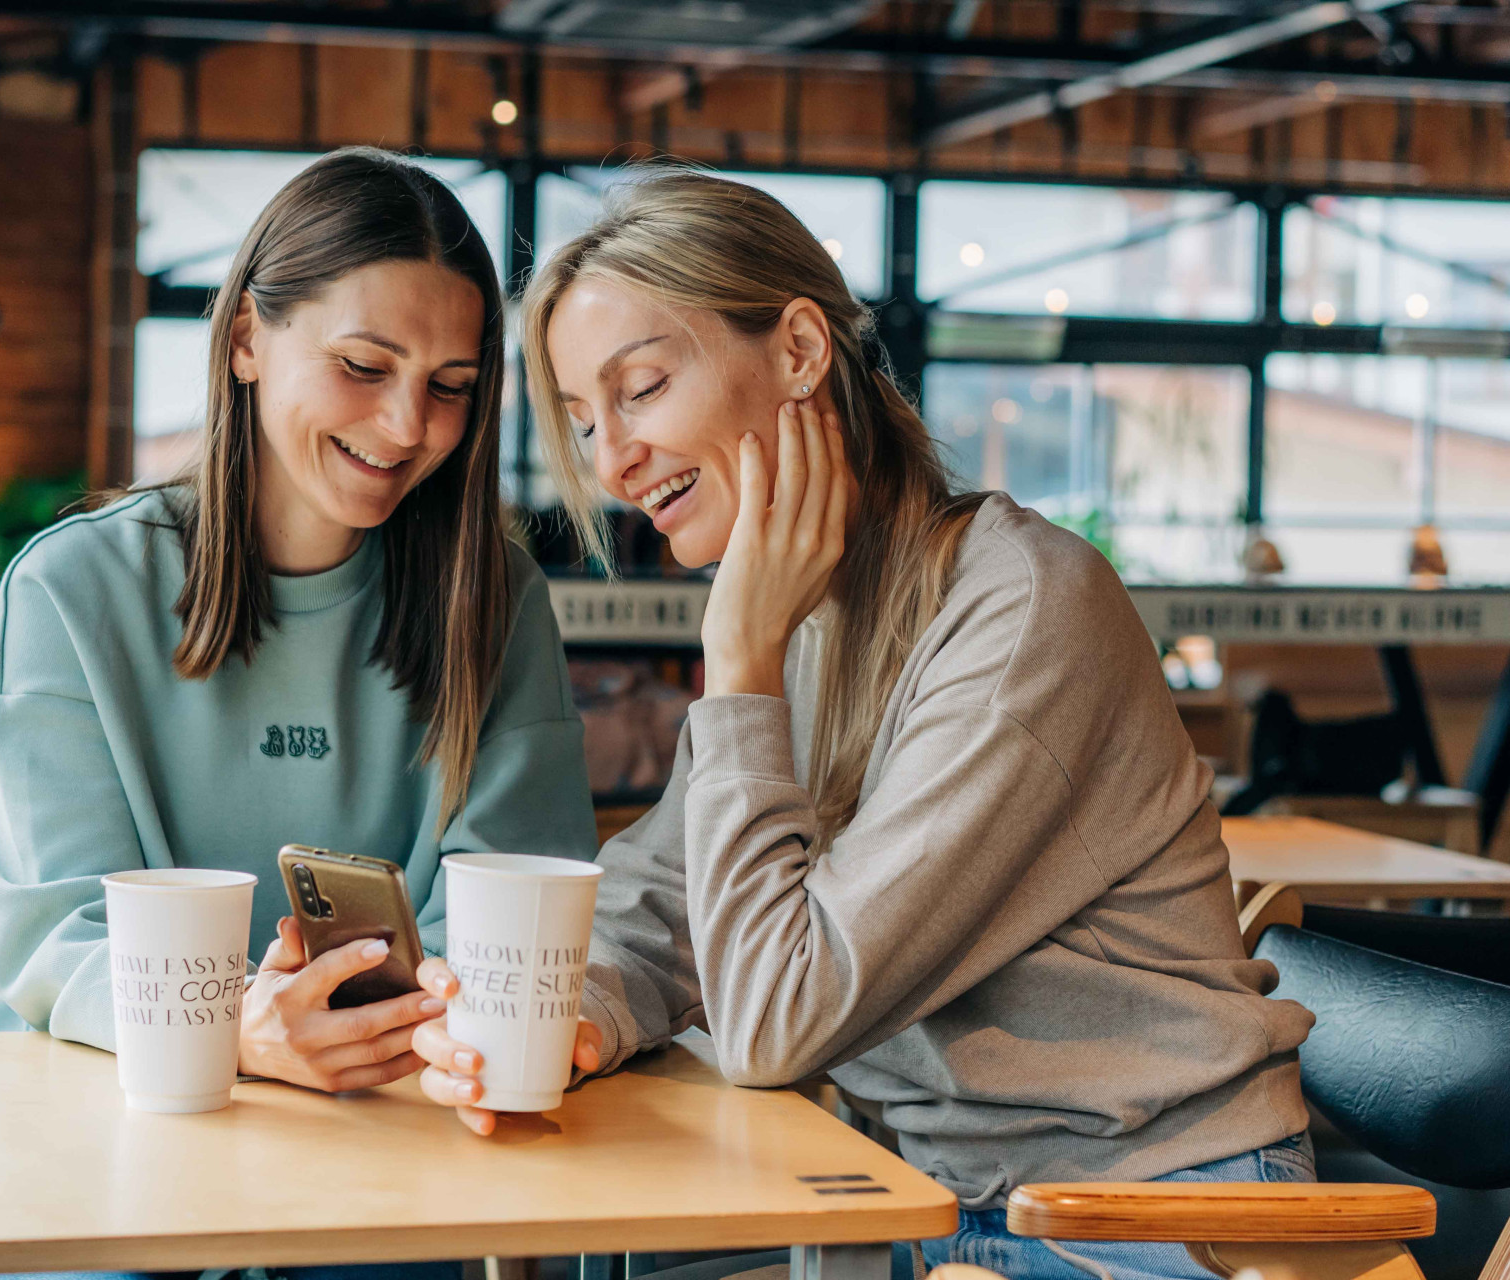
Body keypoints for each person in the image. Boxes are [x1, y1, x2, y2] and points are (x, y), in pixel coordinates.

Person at [410, 169, 1316, 1280]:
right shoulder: (808, 608)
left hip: (1153, 1215)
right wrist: (579, 1014)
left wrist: (737, 665)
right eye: (586, 422)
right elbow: (666, 902)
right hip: (936, 1200)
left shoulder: (1019, 608)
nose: (610, 462)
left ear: (798, 350)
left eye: (639, 389)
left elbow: (777, 1017)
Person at [0, 148, 596, 1280]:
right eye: (363, 364)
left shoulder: (493, 600)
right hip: (104, 1154)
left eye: (451, 384)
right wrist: (236, 1033)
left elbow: (507, 925)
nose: (408, 425)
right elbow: (54, 938)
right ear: (247, 338)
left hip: (385, 1162)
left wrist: (366, 1035)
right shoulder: (70, 588)